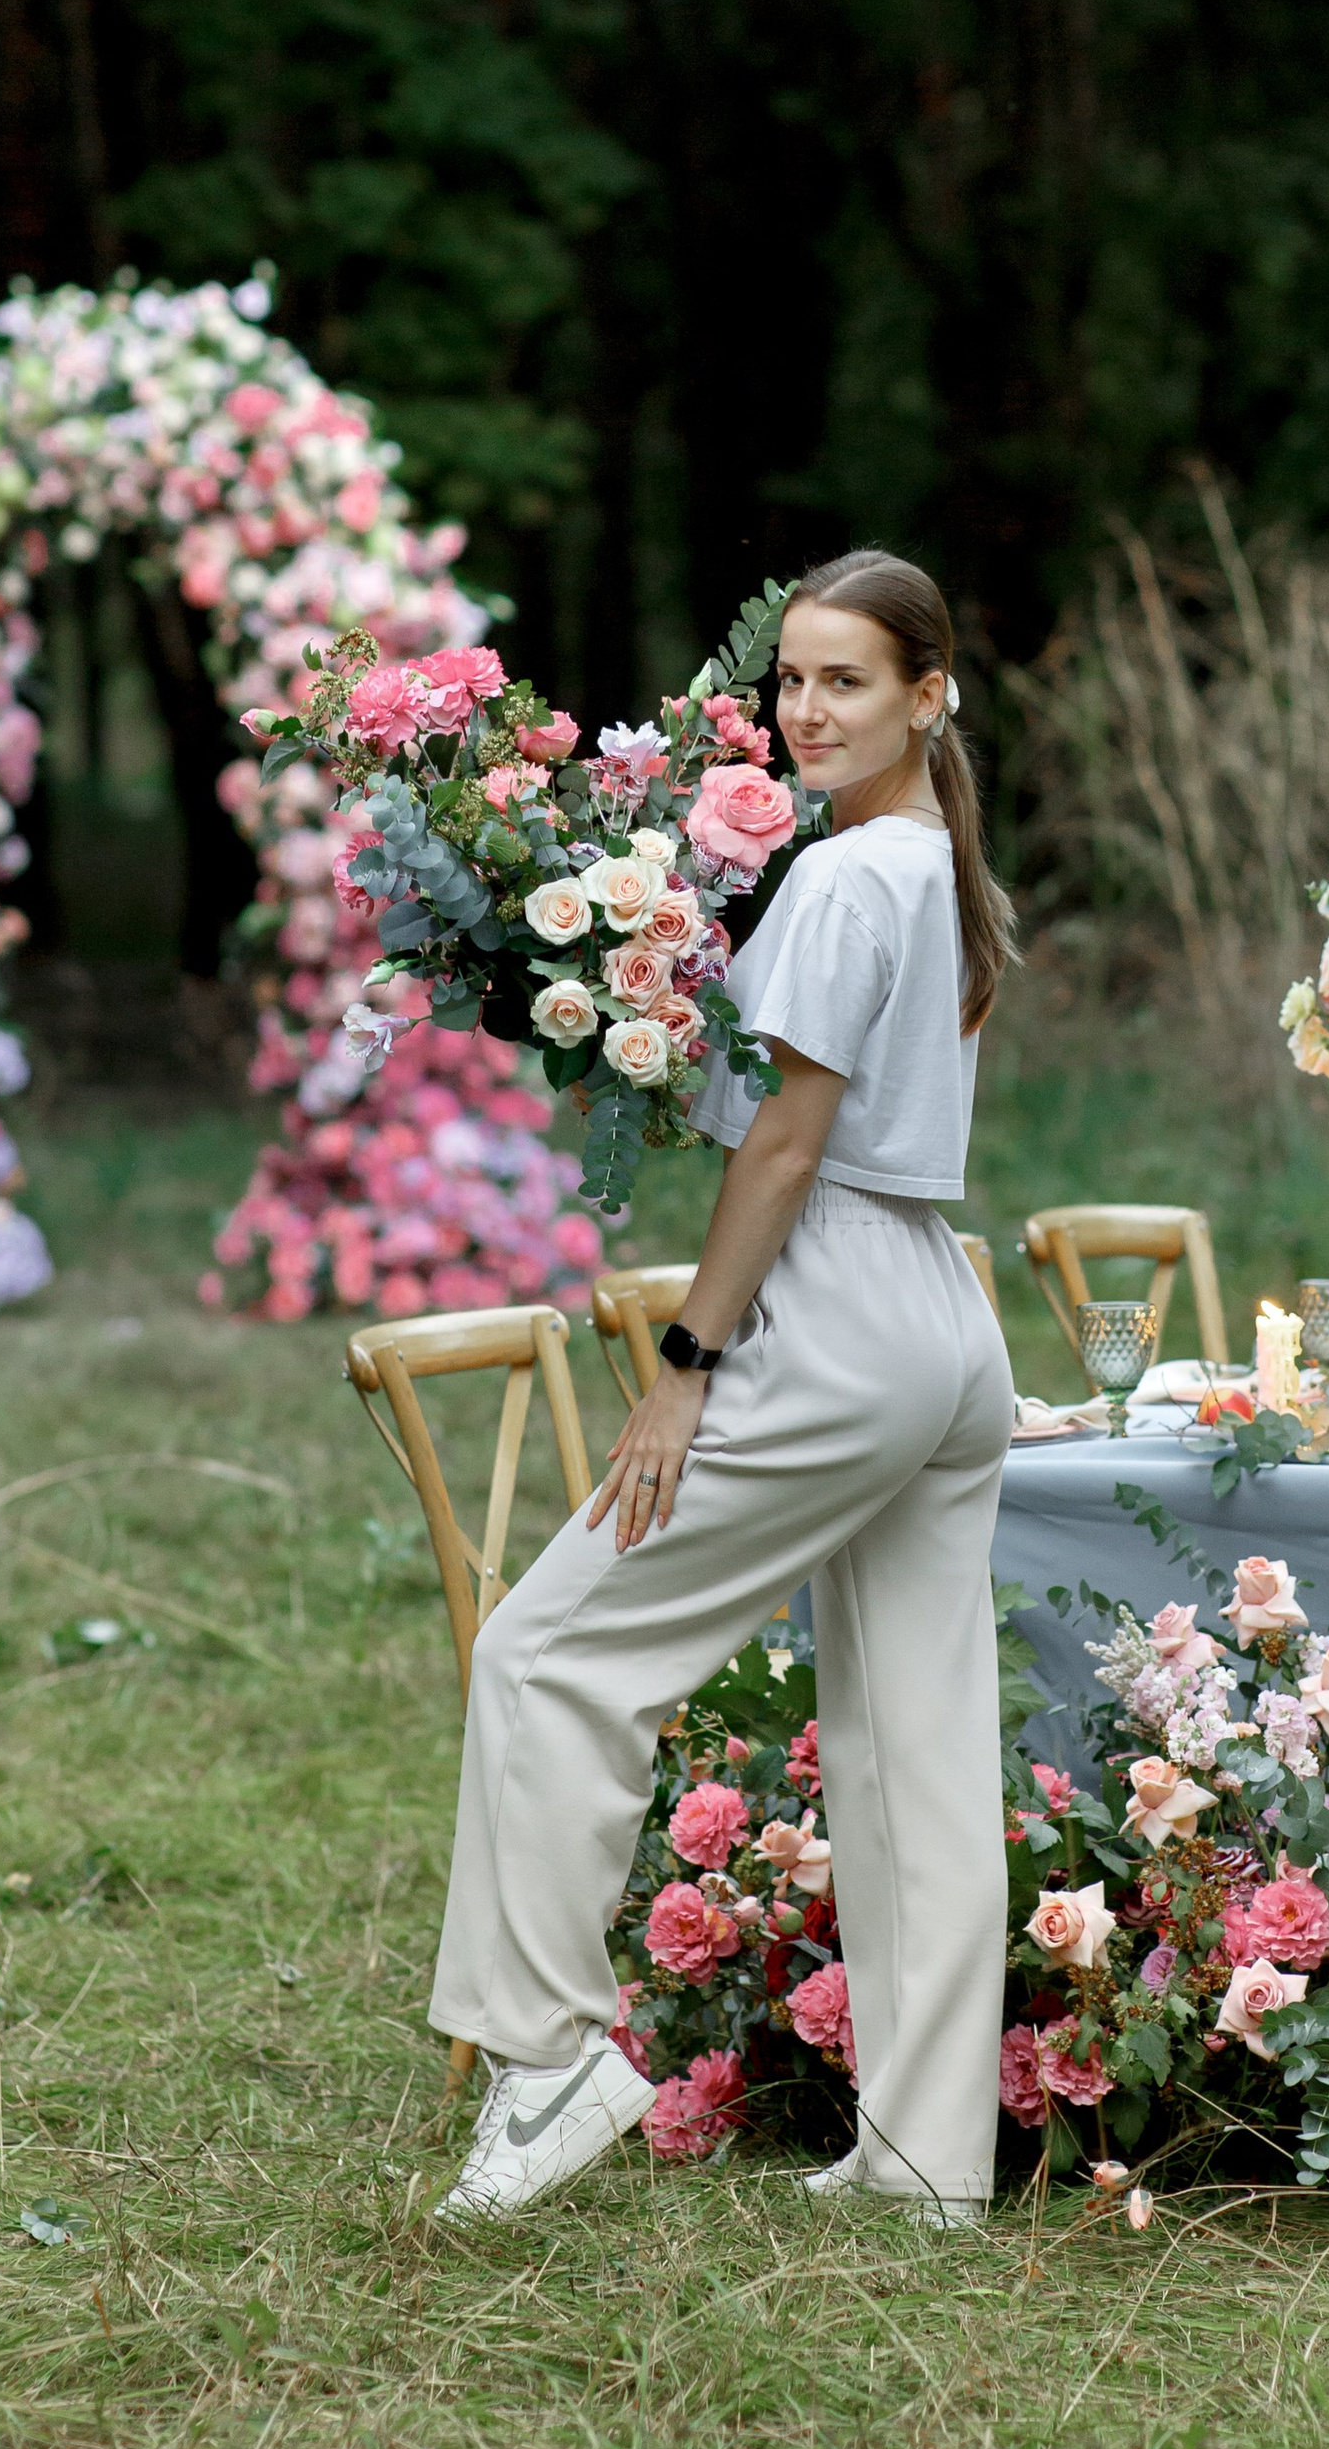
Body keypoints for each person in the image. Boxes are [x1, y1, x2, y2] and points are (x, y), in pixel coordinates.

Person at [427, 548, 1019, 2223]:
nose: (809, 709)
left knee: (548, 1655)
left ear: (930, 691)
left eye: (848, 680)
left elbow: (783, 1140)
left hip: (838, 1308)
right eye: (795, 680)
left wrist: (688, 1364)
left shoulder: (844, 884)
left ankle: (548, 2064)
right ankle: (926, 2162)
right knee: (913, 1745)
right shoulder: (928, 866)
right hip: (940, 1322)